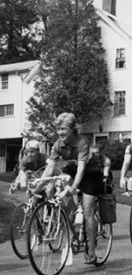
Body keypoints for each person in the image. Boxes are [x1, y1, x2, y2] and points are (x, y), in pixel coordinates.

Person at [33, 112, 99, 264]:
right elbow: (50, 169)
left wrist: (74, 187)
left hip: (90, 172)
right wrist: (37, 189)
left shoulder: (82, 142)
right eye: (58, 129)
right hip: (72, 169)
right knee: (60, 190)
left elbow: (82, 169)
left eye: (63, 129)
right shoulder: (57, 144)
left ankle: (92, 250)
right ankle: (73, 218)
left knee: (88, 210)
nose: (60, 132)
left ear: (72, 129)